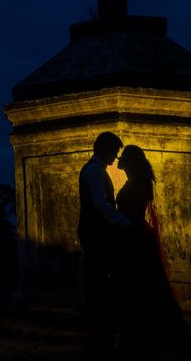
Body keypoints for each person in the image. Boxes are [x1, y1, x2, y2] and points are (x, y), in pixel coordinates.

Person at [115, 145, 191, 353]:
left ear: (130, 162)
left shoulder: (137, 184)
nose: (118, 160)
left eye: (123, 158)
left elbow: (130, 211)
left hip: (135, 237)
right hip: (136, 235)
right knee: (147, 284)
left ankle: (147, 334)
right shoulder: (139, 182)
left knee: (143, 284)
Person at [77, 130, 130, 348]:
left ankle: (100, 330)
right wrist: (122, 223)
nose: (115, 158)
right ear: (105, 149)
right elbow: (100, 204)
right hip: (96, 232)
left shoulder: (95, 170)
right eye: (114, 152)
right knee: (98, 281)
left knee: (98, 280)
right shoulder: (93, 171)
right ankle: (99, 332)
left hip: (95, 231)